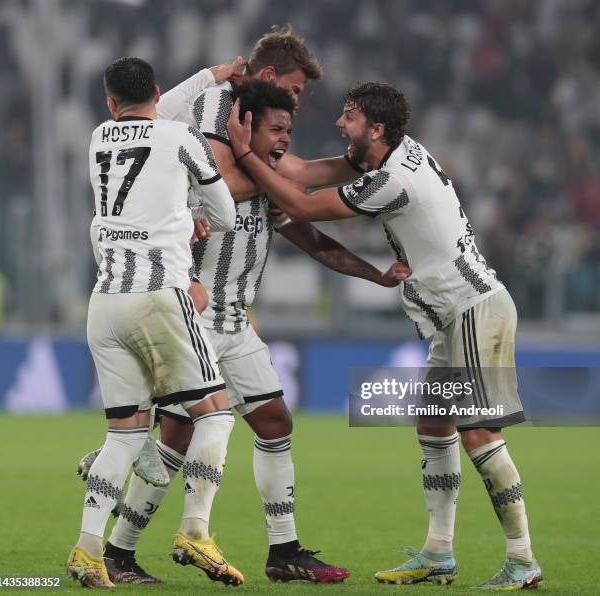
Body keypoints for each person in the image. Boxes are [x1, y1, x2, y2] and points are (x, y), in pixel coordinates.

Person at [226, 82, 544, 591]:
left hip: (474, 307)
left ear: (375, 128)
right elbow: (302, 173)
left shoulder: (393, 180)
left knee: (479, 432)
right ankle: (439, 553)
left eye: (348, 117)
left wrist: (243, 152)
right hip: (453, 312)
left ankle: (522, 559)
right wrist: (249, 147)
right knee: (434, 427)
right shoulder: (391, 152)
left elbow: (303, 206)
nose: (339, 123)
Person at [96, 78, 409, 585]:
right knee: (174, 440)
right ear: (244, 127)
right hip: (192, 322)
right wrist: (187, 281)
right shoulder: (206, 186)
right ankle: (120, 552)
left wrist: (375, 275)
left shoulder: (266, 187)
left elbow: (312, 238)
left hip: (236, 326)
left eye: (289, 130)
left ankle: (283, 550)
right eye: (276, 129)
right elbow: (159, 241)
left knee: (274, 422)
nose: (285, 139)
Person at [67, 56, 244, 588]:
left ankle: (86, 551)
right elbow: (227, 215)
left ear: (109, 102)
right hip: (159, 297)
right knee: (215, 416)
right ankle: (194, 529)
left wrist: (211, 75)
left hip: (104, 303)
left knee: (123, 437)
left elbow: (148, 117)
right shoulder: (182, 138)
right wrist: (196, 216)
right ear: (159, 91)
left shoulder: (99, 136)